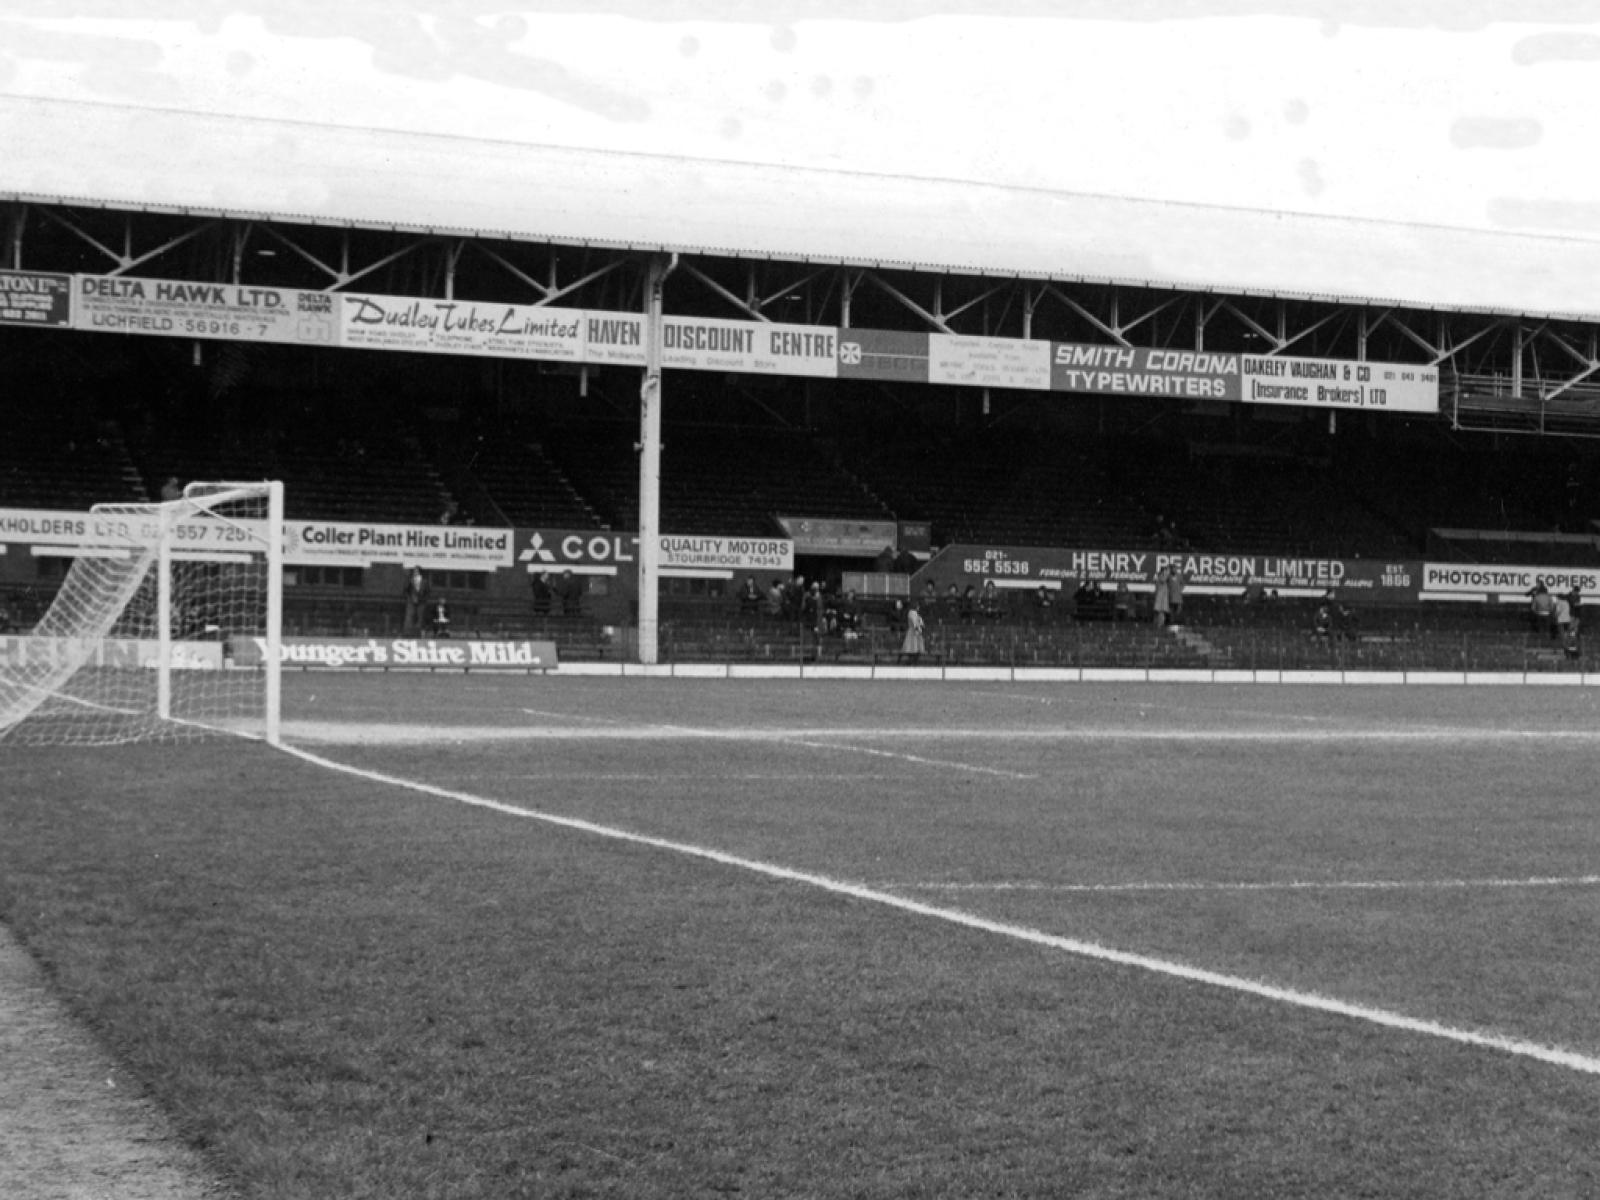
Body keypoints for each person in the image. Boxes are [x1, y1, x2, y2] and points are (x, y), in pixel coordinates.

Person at [401, 567, 430, 634]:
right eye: (414, 572)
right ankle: (408, 632)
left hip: (421, 602)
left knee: (420, 617)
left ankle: (418, 632)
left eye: (417, 572)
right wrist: (410, 598)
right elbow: (405, 591)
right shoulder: (410, 580)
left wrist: (423, 599)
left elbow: (428, 592)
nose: (415, 573)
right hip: (411, 602)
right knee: (410, 616)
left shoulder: (425, 581)